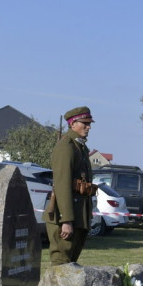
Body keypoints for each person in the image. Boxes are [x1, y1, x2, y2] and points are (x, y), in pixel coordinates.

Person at [45, 106, 96, 265]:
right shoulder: (66, 146)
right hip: (66, 218)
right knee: (61, 266)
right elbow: (62, 185)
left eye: (89, 123)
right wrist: (66, 220)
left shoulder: (80, 147)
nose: (89, 127)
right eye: (85, 123)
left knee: (71, 266)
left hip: (78, 216)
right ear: (73, 123)